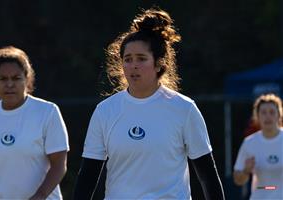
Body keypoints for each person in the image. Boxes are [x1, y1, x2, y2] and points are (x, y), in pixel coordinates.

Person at [73, 8, 225, 200]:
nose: (133, 65)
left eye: (141, 59)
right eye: (127, 59)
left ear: (159, 63)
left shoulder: (184, 109)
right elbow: (87, 176)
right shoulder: (105, 111)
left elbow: (208, 177)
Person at [0, 46, 69, 199]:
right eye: (3, 79)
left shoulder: (48, 112)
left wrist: (40, 196)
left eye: (16, 78)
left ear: (27, 79)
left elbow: (59, 165)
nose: (9, 84)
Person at [233, 93, 283, 199]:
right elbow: (238, 179)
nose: (268, 116)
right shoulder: (249, 143)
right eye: (263, 113)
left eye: (272, 112)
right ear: (257, 116)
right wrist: (246, 171)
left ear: (279, 115)